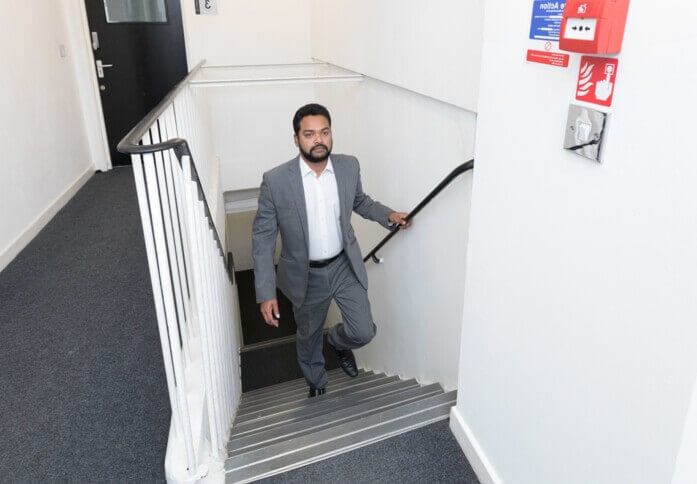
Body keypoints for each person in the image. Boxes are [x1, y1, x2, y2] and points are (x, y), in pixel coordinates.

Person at [252, 103, 411, 398]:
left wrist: (388, 216)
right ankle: (316, 381)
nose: (318, 140)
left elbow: (360, 202)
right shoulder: (275, 181)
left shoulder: (349, 166)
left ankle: (338, 342)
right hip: (305, 275)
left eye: (324, 132)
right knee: (309, 336)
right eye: (309, 134)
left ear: (331, 133)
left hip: (343, 265)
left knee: (364, 330)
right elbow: (262, 238)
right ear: (296, 138)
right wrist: (266, 293)